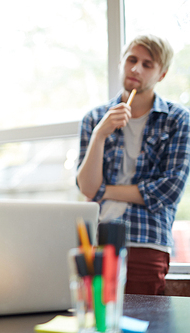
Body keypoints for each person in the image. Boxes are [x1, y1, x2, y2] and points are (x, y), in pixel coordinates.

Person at [77, 34, 190, 295]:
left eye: (148, 64)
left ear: (162, 74)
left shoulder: (177, 120)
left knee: (144, 322)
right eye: (132, 60)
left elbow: (169, 190)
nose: (136, 69)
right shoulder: (94, 118)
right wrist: (100, 134)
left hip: (147, 241)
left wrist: (104, 190)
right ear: (121, 63)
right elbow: (86, 187)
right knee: (97, 320)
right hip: (96, 239)